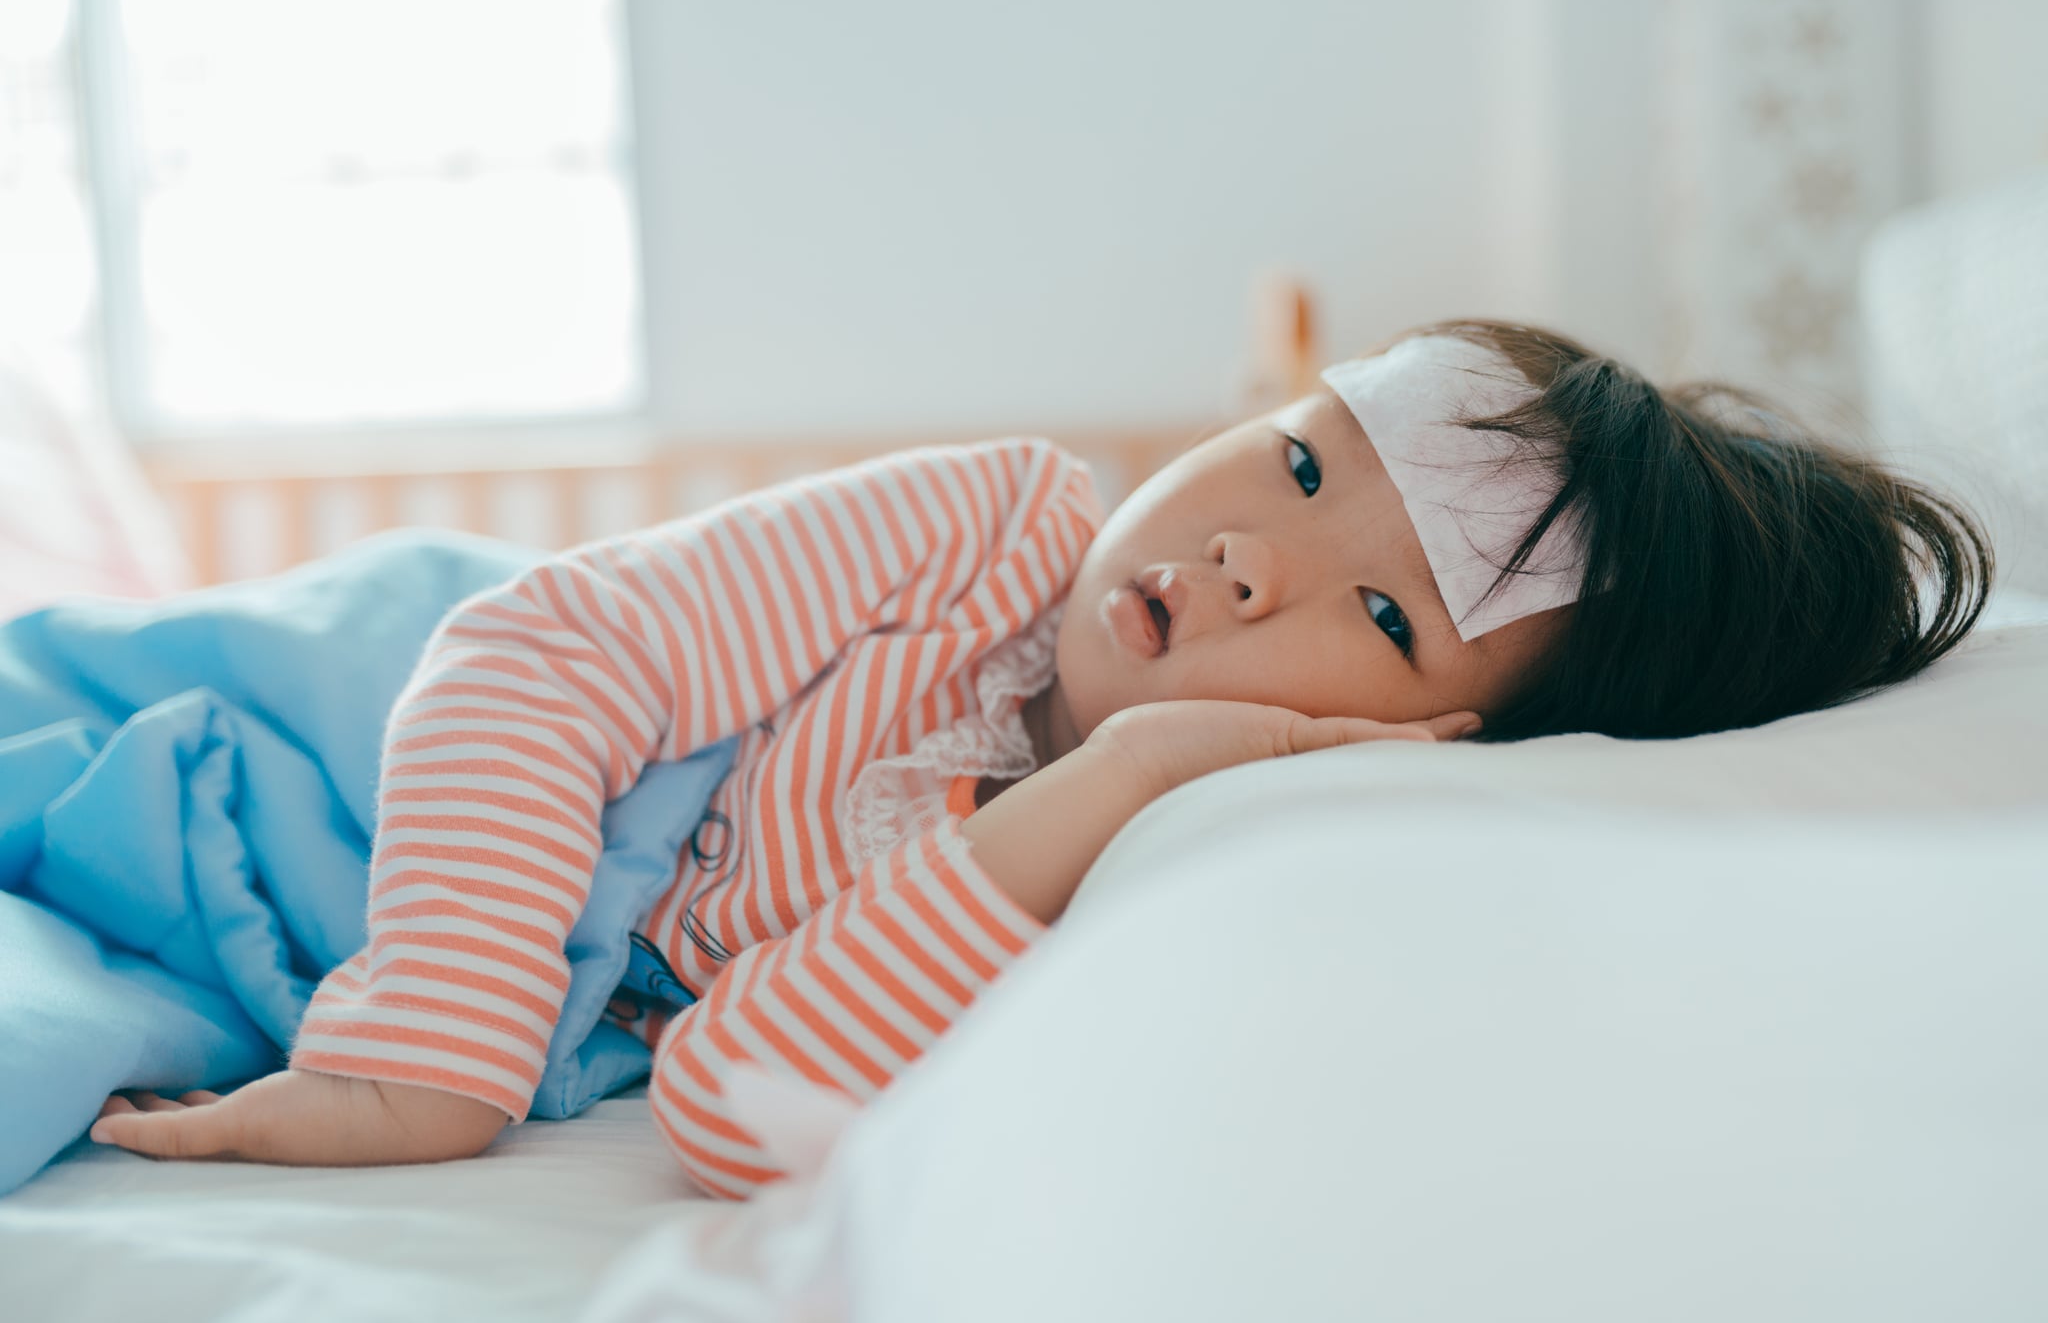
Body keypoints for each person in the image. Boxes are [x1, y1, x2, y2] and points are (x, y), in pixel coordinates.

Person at [86, 319, 1993, 1198]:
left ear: (1438, 744)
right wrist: (432, 1052)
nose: (1250, 548)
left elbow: (736, 1105)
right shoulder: (988, 529)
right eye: (1306, 459)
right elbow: (529, 654)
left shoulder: (1147, 868)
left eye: (1390, 616)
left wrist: (1110, 784)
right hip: (308, 724)